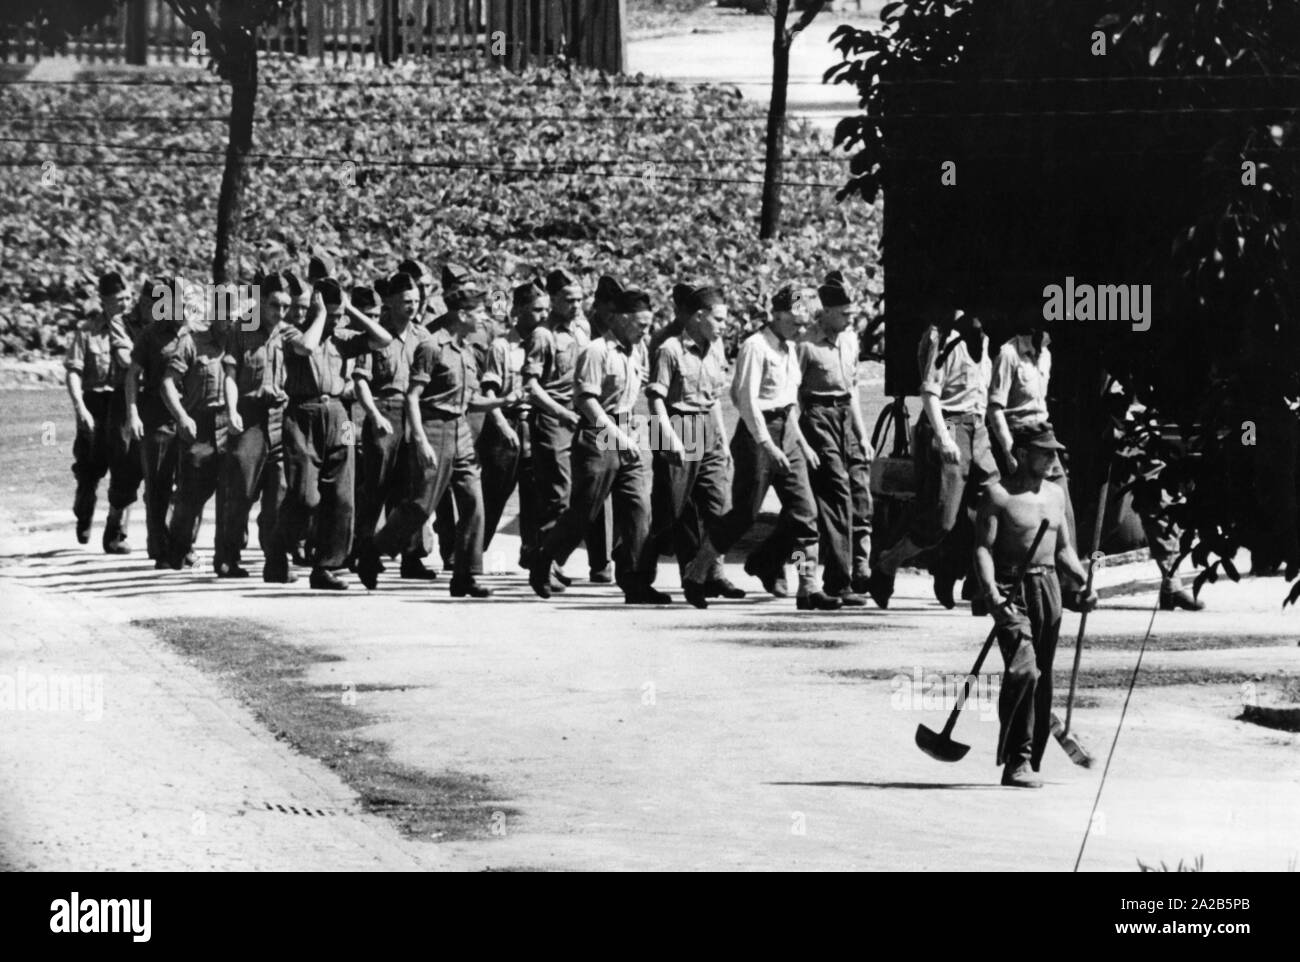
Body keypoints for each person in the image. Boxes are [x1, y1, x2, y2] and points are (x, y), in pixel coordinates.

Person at [682, 287, 842, 611]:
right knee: (744, 515)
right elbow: (745, 400)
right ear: (779, 315)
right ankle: (696, 572)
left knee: (805, 514)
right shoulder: (755, 347)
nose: (801, 328)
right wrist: (767, 446)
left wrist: (800, 442)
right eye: (796, 321)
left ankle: (808, 587)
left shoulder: (789, 349)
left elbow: (788, 402)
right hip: (757, 436)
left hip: (787, 434)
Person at [357, 282, 510, 597]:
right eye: (479, 312)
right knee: (421, 506)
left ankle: (465, 575)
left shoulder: (467, 350)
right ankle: (374, 549)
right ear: (462, 313)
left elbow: (468, 402)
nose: (484, 318)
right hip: (435, 429)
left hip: (461, 430)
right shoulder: (432, 346)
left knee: (473, 504)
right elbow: (413, 397)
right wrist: (422, 441)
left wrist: (503, 402)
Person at [974, 424, 1097, 788]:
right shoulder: (997, 496)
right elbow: (982, 548)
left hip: (1048, 587)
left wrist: (1082, 582)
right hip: (1011, 588)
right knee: (1024, 670)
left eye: (1054, 452)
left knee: (1042, 676)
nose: (1052, 459)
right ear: (1023, 453)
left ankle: (1032, 759)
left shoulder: (1056, 496)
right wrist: (992, 595)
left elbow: (1063, 550)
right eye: (1045, 452)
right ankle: (1016, 760)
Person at [528, 289, 666, 604]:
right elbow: (586, 400)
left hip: (629, 427)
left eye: (648, 325)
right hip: (599, 431)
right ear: (619, 319)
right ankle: (545, 555)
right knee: (585, 511)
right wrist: (616, 436)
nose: (645, 331)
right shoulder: (596, 351)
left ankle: (636, 581)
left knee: (638, 508)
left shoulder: (638, 349)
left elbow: (639, 393)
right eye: (640, 324)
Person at [869, 307, 997, 609]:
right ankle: (887, 564)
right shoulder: (943, 337)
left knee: (990, 504)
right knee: (942, 517)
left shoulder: (984, 338)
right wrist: (943, 437)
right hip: (949, 424)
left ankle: (975, 582)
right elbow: (930, 393)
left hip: (977, 427)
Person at [271, 278, 392, 589]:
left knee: (342, 495)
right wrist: (322, 314)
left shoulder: (344, 338)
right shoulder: (292, 331)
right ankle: (277, 547)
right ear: (315, 307)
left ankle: (326, 566)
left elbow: (383, 339)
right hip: (303, 414)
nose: (338, 321)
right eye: (333, 314)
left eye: (341, 316)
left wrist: (350, 308)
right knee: (304, 496)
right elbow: (307, 346)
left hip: (341, 415)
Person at [645, 285, 746, 607]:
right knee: (672, 512)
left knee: (719, 507)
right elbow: (656, 399)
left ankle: (709, 573)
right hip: (675, 424)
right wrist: (670, 437)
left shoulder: (716, 348)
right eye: (718, 319)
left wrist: (723, 440)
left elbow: (714, 398)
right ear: (699, 316)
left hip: (708, 429)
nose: (723, 325)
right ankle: (638, 573)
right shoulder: (669, 349)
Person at [352, 274, 437, 581]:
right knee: (376, 486)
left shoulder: (422, 336)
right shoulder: (375, 334)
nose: (412, 307)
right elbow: (360, 379)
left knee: (410, 489)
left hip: (413, 416)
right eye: (405, 301)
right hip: (384, 413)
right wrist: (373, 415)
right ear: (389, 302)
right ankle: (364, 551)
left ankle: (411, 557)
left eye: (415, 301)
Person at [797, 271, 873, 607]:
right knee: (835, 492)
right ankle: (839, 580)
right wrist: (802, 437)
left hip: (844, 414)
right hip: (817, 414)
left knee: (858, 490)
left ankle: (765, 561)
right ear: (826, 312)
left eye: (852, 315)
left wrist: (862, 434)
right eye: (843, 314)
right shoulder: (807, 344)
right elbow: (793, 393)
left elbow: (852, 389)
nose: (848, 320)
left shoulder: (851, 340)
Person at [216, 273, 293, 579]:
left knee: (280, 493)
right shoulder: (243, 328)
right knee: (242, 491)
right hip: (250, 417)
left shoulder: (288, 333)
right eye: (275, 305)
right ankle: (228, 556)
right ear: (261, 302)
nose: (281, 313)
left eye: (286, 307)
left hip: (281, 419)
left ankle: (275, 562)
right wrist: (232, 409)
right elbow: (231, 375)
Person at [64, 271, 140, 553]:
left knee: (127, 464)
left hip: (122, 402)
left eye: (129, 297)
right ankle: (83, 511)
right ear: (104, 301)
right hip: (94, 403)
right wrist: (79, 407)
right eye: (119, 299)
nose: (126, 303)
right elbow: (73, 372)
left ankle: (116, 532)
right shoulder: (87, 331)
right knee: (89, 468)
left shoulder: (136, 328)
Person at [161, 283, 229, 570]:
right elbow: (167, 382)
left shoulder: (243, 342)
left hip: (231, 424)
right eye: (224, 316)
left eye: (234, 316)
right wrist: (182, 417)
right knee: (191, 493)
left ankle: (227, 558)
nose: (230, 322)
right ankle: (176, 551)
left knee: (230, 495)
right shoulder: (192, 342)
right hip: (198, 424)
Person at [126, 277, 190, 566]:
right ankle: (159, 547)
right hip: (157, 418)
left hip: (190, 417)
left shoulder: (195, 334)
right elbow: (132, 376)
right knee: (158, 485)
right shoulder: (151, 335)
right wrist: (133, 413)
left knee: (188, 486)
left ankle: (181, 546)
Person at [478, 281, 541, 562]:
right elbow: (489, 390)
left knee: (534, 494)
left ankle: (531, 552)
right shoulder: (502, 346)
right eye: (536, 310)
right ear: (518, 311)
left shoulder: (545, 343)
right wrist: (502, 425)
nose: (542, 315)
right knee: (494, 494)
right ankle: (472, 553)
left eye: (545, 310)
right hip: (506, 423)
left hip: (536, 424)